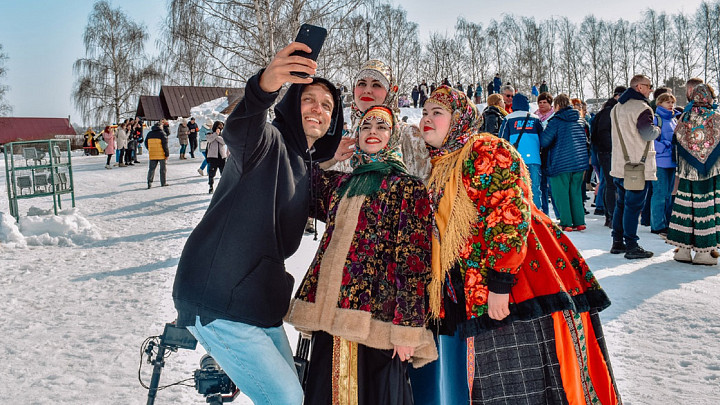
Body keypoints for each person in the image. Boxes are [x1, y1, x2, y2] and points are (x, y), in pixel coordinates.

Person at [415, 85, 620, 405]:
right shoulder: (433, 165)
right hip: (466, 293)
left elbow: (509, 213)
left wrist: (500, 283)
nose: (427, 118)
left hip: (514, 285)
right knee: (476, 382)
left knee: (520, 381)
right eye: (425, 112)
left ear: (459, 120)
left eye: (437, 113)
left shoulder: (483, 149)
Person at [171, 41, 345, 405]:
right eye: (308, 99)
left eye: (327, 106)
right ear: (289, 103)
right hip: (218, 299)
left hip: (256, 304)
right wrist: (264, 85)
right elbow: (243, 128)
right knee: (287, 400)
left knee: (297, 391)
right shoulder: (269, 142)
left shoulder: (304, 165)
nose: (318, 109)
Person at [286, 105, 437, 404]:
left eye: (382, 126)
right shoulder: (342, 185)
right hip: (329, 319)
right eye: (366, 126)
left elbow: (414, 261)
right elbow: (301, 176)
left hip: (377, 324)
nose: (372, 131)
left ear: (392, 137)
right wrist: (331, 156)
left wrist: (407, 328)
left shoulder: (406, 188)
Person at [668, 84, 720, 265]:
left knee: (685, 209)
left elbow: (676, 138)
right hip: (710, 173)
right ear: (710, 98)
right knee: (705, 208)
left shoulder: (684, 117)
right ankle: (704, 253)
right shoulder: (715, 117)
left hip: (686, 171)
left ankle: (682, 250)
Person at [610, 74, 659, 259]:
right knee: (633, 207)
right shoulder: (642, 108)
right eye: (649, 86)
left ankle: (617, 242)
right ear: (639, 87)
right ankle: (631, 245)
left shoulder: (616, 108)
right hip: (637, 166)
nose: (651, 89)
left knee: (621, 204)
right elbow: (647, 133)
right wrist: (658, 129)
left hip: (619, 164)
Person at [541, 94, 589, 231]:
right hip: (579, 162)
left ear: (557, 106)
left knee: (561, 193)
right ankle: (579, 221)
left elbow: (545, 141)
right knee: (575, 192)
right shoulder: (580, 120)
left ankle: (566, 222)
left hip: (560, 162)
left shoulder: (555, 121)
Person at [499, 93, 544, 209]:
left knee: (517, 189)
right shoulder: (535, 119)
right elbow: (543, 139)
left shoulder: (508, 119)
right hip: (534, 159)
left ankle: (520, 216)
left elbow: (502, 140)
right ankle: (537, 217)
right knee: (535, 189)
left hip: (515, 159)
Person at [591, 86, 626, 227]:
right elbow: (603, 133)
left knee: (610, 184)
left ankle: (611, 215)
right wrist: (612, 148)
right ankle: (611, 216)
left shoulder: (613, 110)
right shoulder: (609, 111)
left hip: (609, 152)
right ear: (617, 96)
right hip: (608, 152)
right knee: (611, 185)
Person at [649, 92, 677, 236]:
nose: (670, 105)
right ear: (660, 104)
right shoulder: (656, 119)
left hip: (672, 161)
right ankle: (657, 225)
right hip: (660, 161)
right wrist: (665, 146)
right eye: (667, 102)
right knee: (659, 193)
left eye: (672, 102)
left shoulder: (674, 119)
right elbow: (651, 140)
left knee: (668, 194)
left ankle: (666, 223)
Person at [144, 121, 169, 188]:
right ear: (160, 126)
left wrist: (150, 149)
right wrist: (167, 154)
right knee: (162, 169)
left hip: (152, 154)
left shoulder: (149, 133)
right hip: (161, 154)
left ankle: (149, 182)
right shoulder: (162, 133)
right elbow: (165, 145)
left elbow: (146, 143)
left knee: (151, 169)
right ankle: (163, 183)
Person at [206, 120, 226, 194]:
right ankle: (211, 186)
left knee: (223, 174)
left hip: (222, 157)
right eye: (218, 127)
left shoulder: (222, 134)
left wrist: (216, 136)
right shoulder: (209, 133)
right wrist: (215, 134)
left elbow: (224, 142)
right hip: (213, 157)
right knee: (212, 173)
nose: (220, 129)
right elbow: (209, 139)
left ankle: (224, 188)